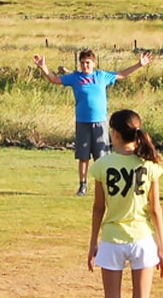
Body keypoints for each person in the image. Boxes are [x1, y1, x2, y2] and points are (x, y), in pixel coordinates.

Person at [87, 109, 163, 298]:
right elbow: (155, 209)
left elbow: (99, 208)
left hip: (112, 239)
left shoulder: (102, 164)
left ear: (114, 133)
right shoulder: (149, 164)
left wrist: (92, 243)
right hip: (142, 239)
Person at [35, 49, 153, 195]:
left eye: (88, 63)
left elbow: (122, 74)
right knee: (83, 157)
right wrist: (43, 68)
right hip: (82, 122)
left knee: (102, 156)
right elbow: (55, 79)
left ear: (94, 63)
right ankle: (82, 186)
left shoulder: (101, 76)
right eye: (83, 63)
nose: (85, 66)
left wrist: (139, 65)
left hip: (100, 123)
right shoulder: (75, 77)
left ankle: (103, 185)